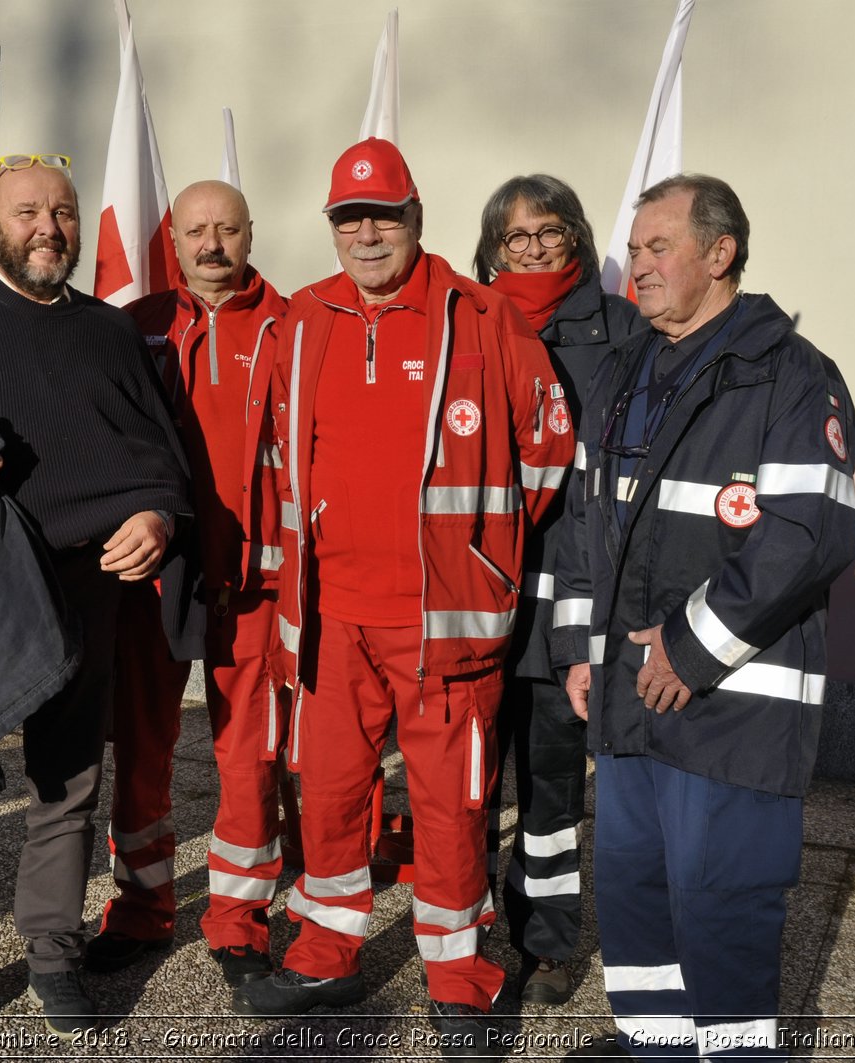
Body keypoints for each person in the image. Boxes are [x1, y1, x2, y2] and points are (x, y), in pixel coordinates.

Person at [233, 138, 573, 1058]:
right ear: (333, 228)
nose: (368, 233)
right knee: (331, 794)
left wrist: (483, 556)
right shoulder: (302, 319)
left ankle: (460, 977)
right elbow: (273, 461)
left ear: (416, 216)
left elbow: (545, 449)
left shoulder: (483, 315)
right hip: (331, 620)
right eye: (350, 218)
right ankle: (324, 950)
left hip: (447, 625)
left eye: (384, 214)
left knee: (452, 806)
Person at [0, 152, 196, 1041]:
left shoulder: (108, 331)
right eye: (27, 213)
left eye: (62, 212)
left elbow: (160, 457)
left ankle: (53, 957)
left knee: (67, 782)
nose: (48, 229)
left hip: (81, 587)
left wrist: (158, 517)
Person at [552, 175, 855, 1059]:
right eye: (636, 250)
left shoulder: (794, 379)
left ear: (719, 254)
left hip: (730, 707)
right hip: (625, 700)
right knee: (639, 891)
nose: (636, 268)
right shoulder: (624, 370)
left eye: (658, 248)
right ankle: (653, 1045)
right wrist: (578, 648)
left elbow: (808, 537)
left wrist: (689, 650)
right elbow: (587, 520)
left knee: (721, 900)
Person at [88, 180, 289, 987]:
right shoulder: (132, 326)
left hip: (258, 567)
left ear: (250, 232)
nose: (212, 244)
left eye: (228, 229)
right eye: (196, 230)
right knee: (142, 746)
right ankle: (140, 909)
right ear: (171, 236)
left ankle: (238, 918)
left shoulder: (294, 323)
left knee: (250, 751)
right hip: (154, 568)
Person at [472, 175, 641, 1005]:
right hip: (469, 604)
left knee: (549, 794)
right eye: (516, 236)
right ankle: (459, 931)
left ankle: (546, 941)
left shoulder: (620, 332)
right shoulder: (465, 318)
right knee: (464, 789)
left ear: (575, 236)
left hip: (560, 611)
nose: (534, 248)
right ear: (493, 246)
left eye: (549, 231)